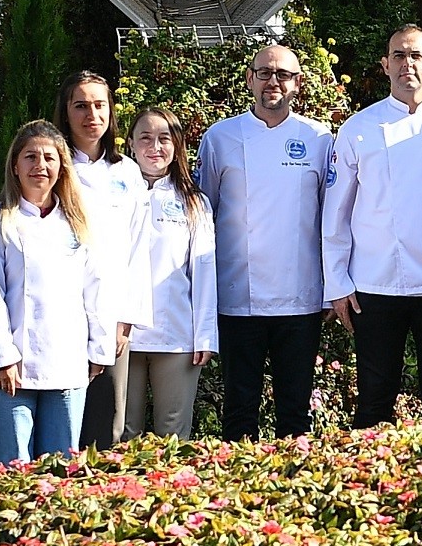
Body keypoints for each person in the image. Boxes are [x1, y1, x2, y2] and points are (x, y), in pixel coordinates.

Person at [325, 23, 422, 424]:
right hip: (375, 285)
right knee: (373, 403)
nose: (407, 64)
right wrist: (337, 283)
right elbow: (335, 214)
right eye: (398, 55)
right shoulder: (358, 128)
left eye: (415, 55)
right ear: (385, 65)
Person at [199, 43, 334, 440]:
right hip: (238, 296)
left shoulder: (319, 138)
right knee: (239, 413)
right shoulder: (220, 137)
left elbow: (330, 218)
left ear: (298, 83)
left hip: (301, 298)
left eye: (284, 74)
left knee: (295, 415)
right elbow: (204, 213)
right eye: (265, 73)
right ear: (250, 79)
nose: (273, 81)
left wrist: (331, 289)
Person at [0, 122, 112, 461]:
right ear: (15, 167)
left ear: (62, 167)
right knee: (9, 474)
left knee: (59, 474)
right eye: (30, 157)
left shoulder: (79, 223)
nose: (40, 165)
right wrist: (1, 358)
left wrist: (99, 349)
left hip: (67, 366)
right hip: (8, 371)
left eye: (49, 158)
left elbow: (96, 288)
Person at [116, 106, 217, 438]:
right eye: (145, 138)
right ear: (131, 144)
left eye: (164, 139)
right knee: (121, 434)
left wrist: (205, 335)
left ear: (177, 146)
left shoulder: (194, 202)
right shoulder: (113, 196)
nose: (155, 147)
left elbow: (203, 272)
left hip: (176, 336)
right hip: (121, 337)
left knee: (173, 435)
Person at [58, 71, 146, 448]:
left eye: (99, 105)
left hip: (111, 313)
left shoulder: (127, 171)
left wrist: (126, 319)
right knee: (62, 421)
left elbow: (138, 249)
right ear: (65, 112)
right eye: (81, 105)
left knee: (106, 423)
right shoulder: (52, 165)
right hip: (60, 311)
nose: (91, 115)